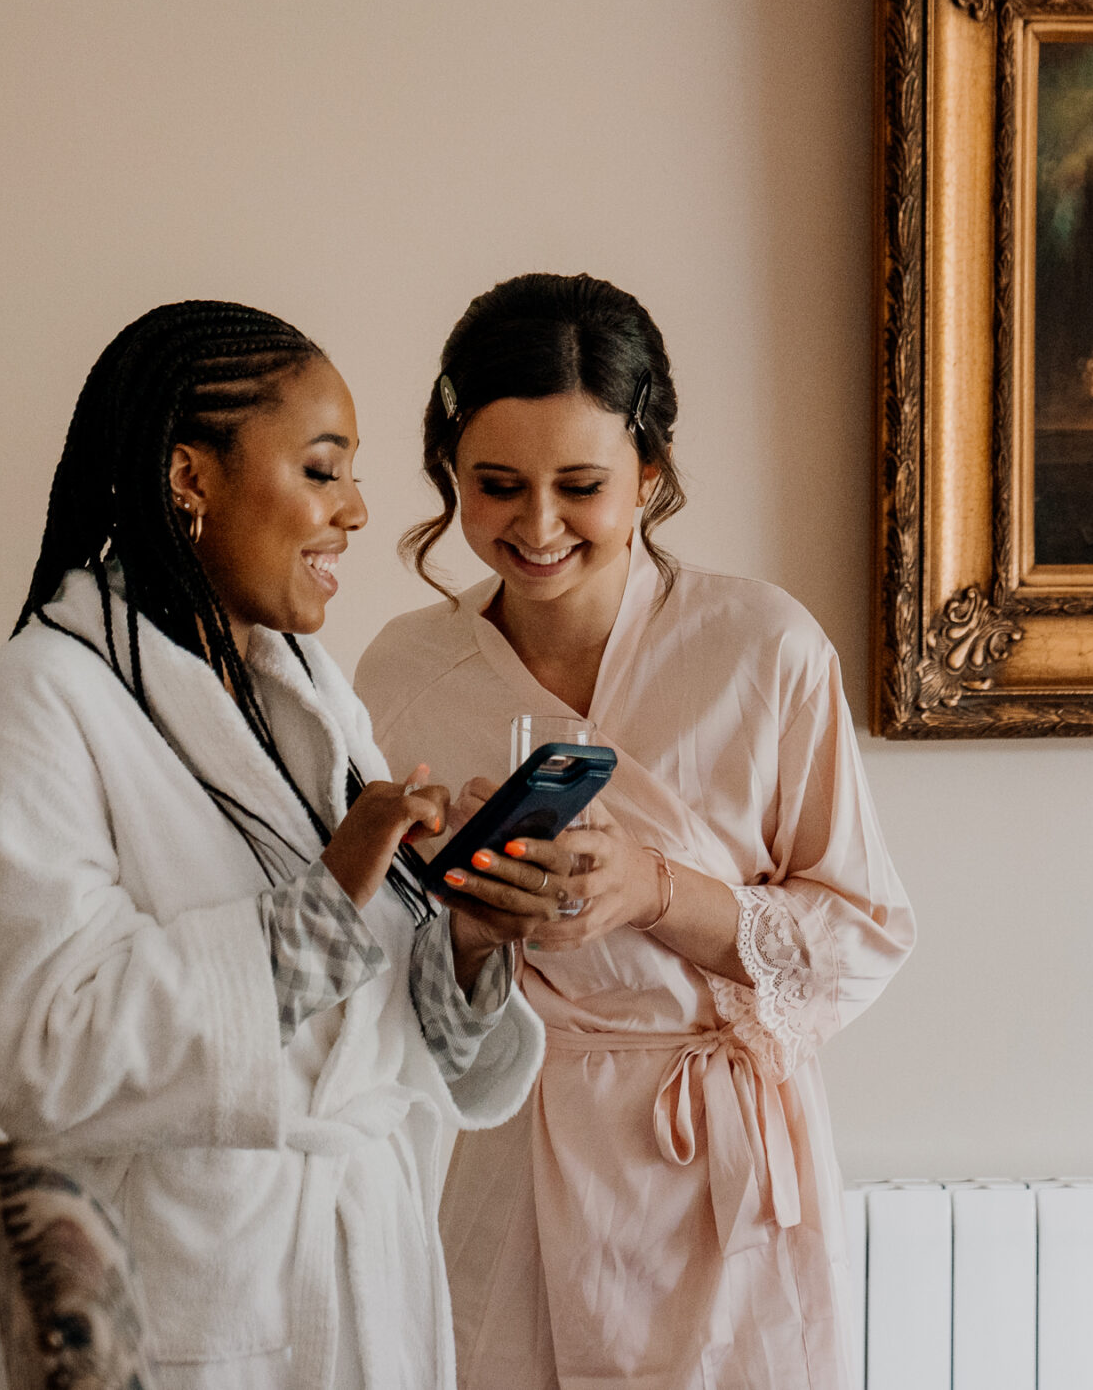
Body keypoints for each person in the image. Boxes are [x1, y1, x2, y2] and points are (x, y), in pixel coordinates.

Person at [0, 301, 551, 1390]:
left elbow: (373, 1025)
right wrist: (328, 899)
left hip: (372, 1283)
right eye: (321, 469)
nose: (356, 510)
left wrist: (474, 941)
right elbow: (45, 1051)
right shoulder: (28, 710)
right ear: (189, 477)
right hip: (196, 1300)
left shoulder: (305, 692)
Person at [355, 274, 913, 1390]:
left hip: (718, 1166)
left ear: (649, 474)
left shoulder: (763, 648)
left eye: (582, 486)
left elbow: (861, 936)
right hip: (513, 1150)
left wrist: (657, 890)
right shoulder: (400, 676)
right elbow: (379, 984)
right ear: (448, 475)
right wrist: (470, 926)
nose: (538, 526)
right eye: (497, 486)